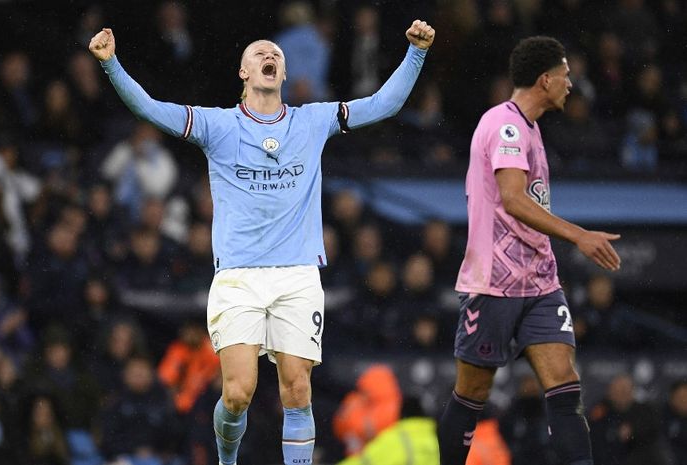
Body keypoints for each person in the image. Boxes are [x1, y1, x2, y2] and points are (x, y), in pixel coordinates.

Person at [89, 19, 435, 465]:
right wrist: (111, 63)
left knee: (297, 388)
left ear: (284, 74)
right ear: (244, 74)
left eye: (276, 55)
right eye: (259, 54)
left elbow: (382, 105)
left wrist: (416, 53)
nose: (269, 57)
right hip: (238, 275)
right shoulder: (217, 126)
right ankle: (226, 460)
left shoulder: (312, 121)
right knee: (237, 393)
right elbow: (152, 109)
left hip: (297, 273)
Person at [437, 36, 622, 465]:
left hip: (539, 281)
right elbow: (514, 199)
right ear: (545, 79)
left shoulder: (529, 128)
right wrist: (578, 235)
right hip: (494, 284)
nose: (571, 84)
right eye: (565, 75)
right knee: (472, 393)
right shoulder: (504, 125)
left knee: (564, 382)